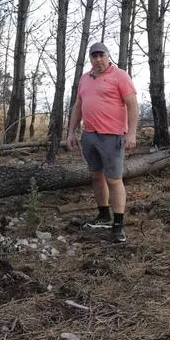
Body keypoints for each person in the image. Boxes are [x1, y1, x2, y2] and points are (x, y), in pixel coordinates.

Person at [66, 42, 138, 243]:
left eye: (101, 55)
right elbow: (78, 105)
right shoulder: (85, 79)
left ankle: (118, 225)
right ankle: (104, 214)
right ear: (90, 58)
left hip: (112, 136)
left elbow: (132, 105)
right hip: (89, 135)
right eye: (94, 56)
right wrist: (71, 132)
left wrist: (131, 134)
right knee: (96, 176)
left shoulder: (120, 76)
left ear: (108, 56)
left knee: (114, 180)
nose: (98, 59)